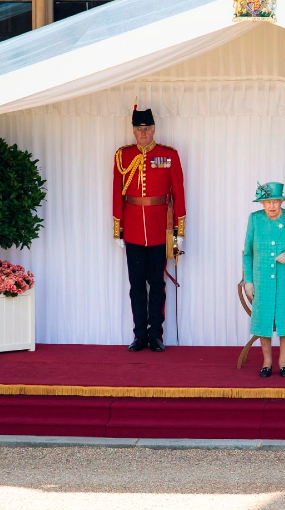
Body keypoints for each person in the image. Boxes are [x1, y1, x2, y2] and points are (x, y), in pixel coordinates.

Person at [112, 106, 186, 352]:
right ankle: (139, 335)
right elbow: (116, 193)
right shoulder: (123, 156)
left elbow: (178, 193)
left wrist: (179, 229)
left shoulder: (169, 155)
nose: (143, 133)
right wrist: (118, 229)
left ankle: (156, 335)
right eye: (138, 129)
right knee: (135, 286)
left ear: (154, 129)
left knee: (157, 284)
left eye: (147, 129)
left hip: (160, 230)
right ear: (133, 131)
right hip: (133, 229)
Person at [242, 182, 285, 378]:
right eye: (267, 202)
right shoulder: (255, 220)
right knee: (263, 320)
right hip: (261, 279)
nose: (271, 206)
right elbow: (248, 254)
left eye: (275, 201)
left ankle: (283, 362)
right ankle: (266, 361)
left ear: (282, 202)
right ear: (262, 204)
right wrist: (249, 280)